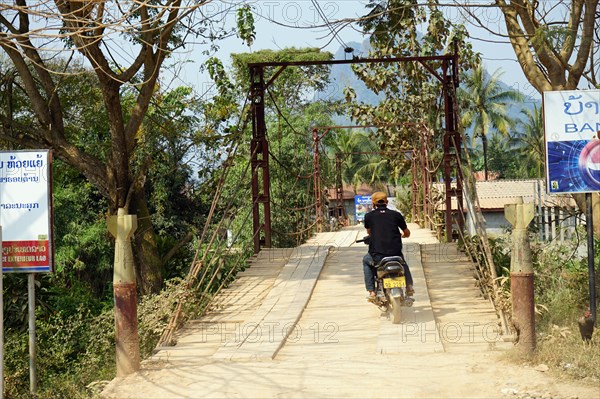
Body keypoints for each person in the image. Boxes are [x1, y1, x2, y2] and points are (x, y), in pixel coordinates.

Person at [362, 191, 414, 301]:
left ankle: (371, 292)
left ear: (373, 204)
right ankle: (409, 286)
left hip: (377, 256)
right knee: (402, 262)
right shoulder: (396, 215)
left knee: (366, 261)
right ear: (387, 202)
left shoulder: (369, 216)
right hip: (395, 253)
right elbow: (407, 232)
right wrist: (403, 235)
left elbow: (369, 232)